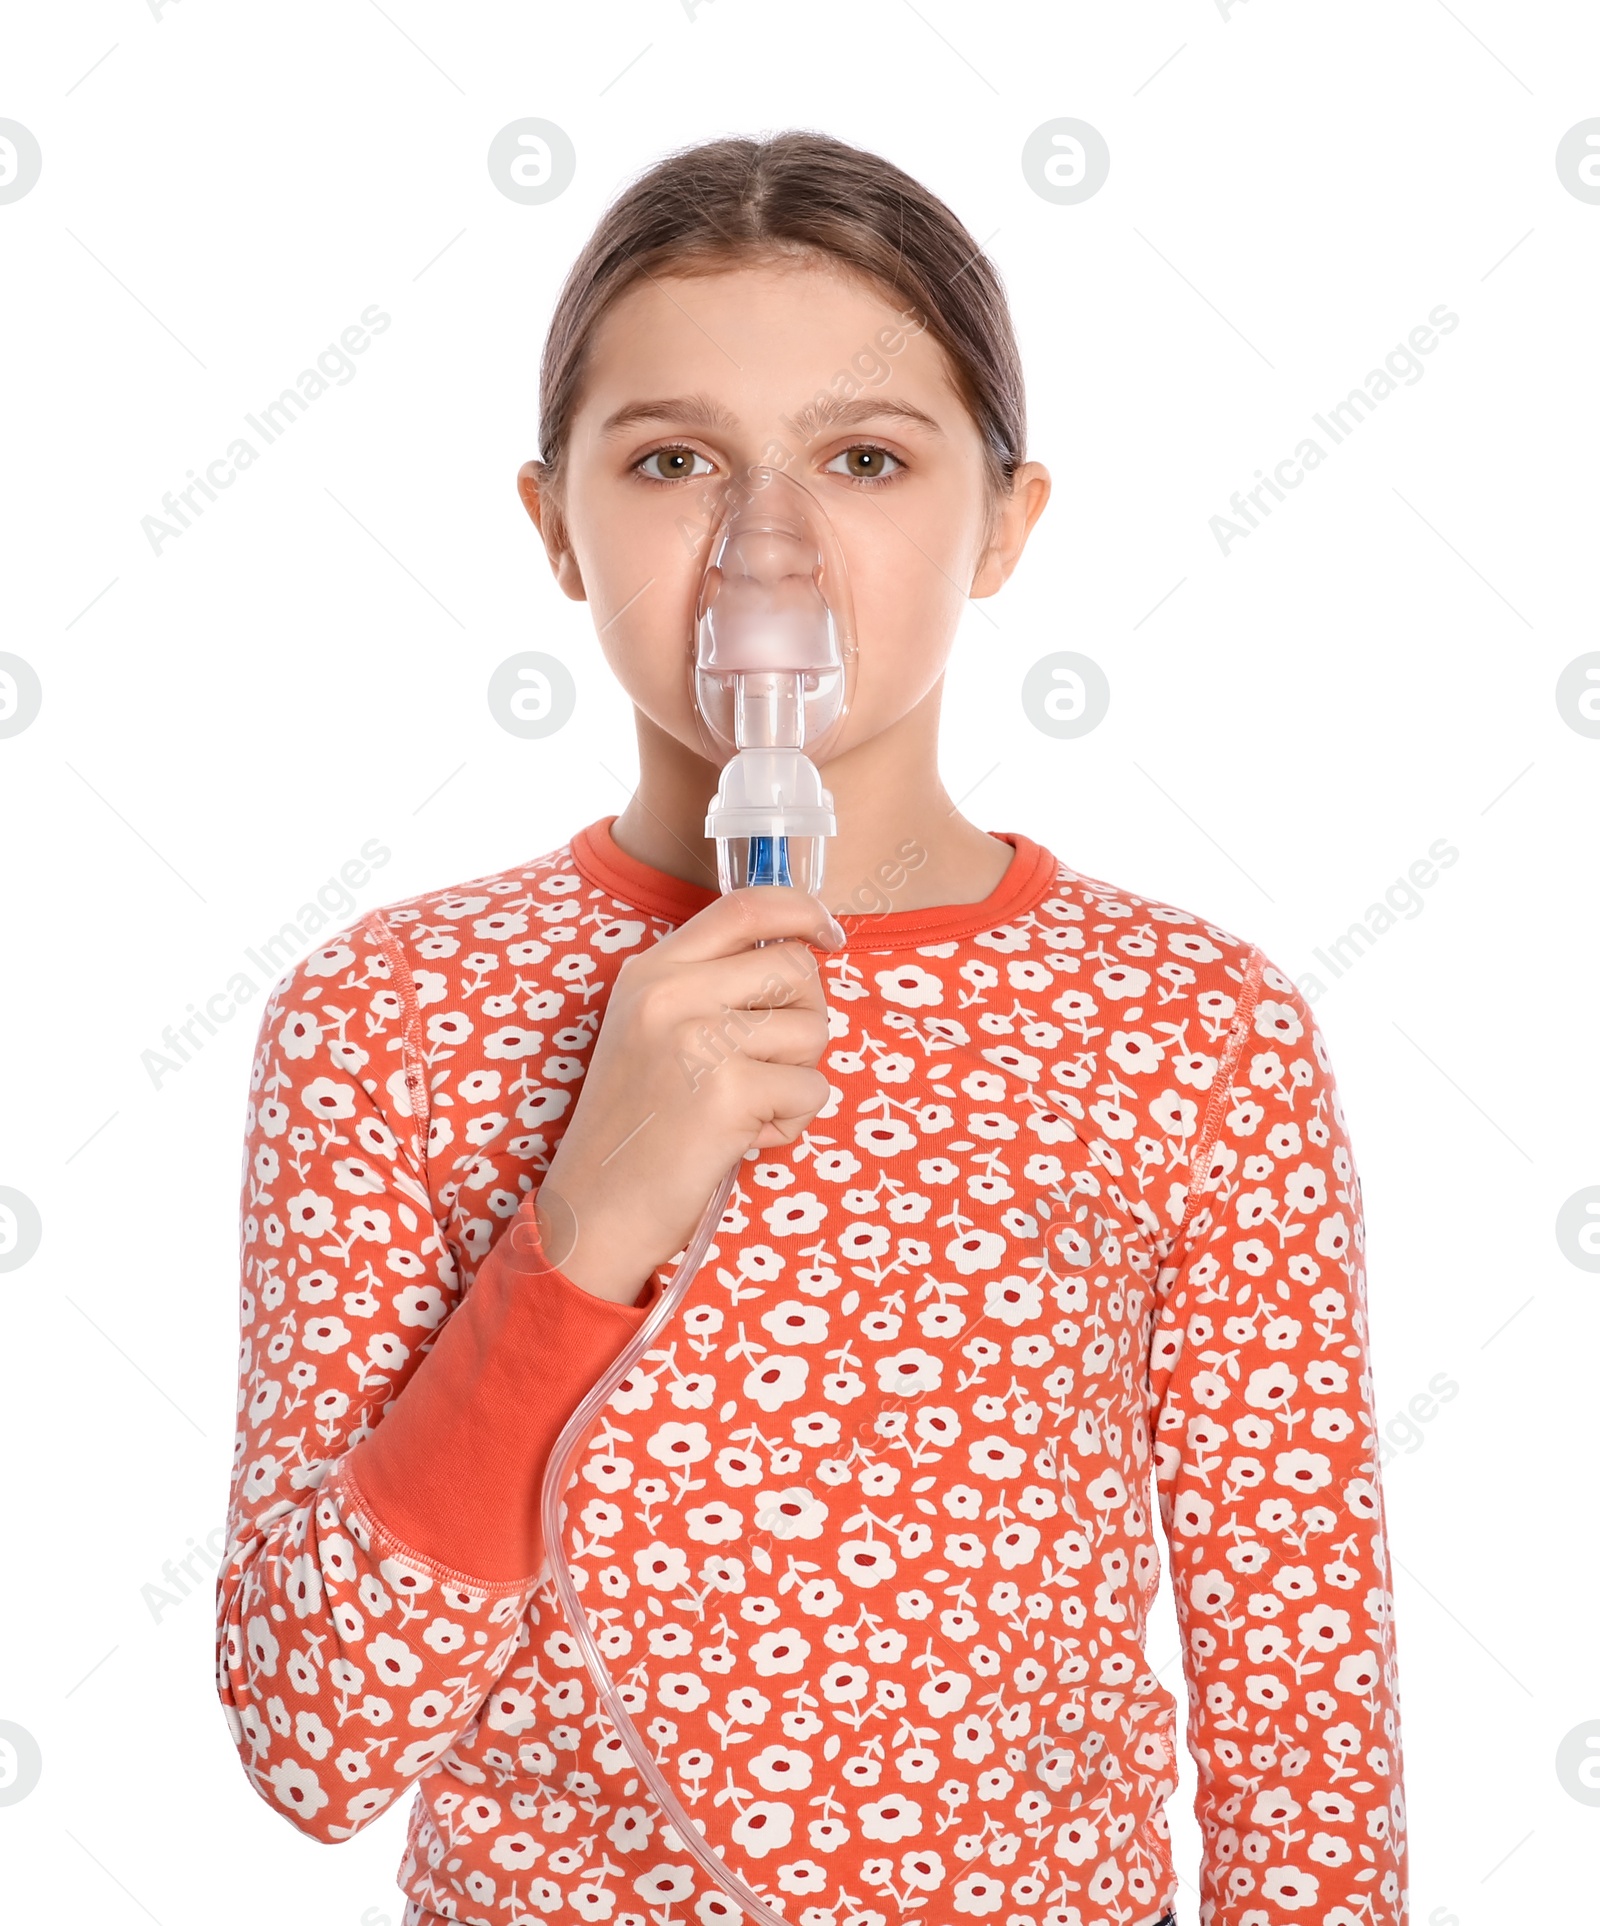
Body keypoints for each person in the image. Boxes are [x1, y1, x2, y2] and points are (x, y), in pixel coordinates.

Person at [215, 131, 1406, 1926]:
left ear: (1003, 522)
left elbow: (1301, 1734)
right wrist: (587, 1221)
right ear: (555, 526)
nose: (764, 545)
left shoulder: (1190, 1032)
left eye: (864, 460)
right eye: (675, 460)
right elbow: (317, 1743)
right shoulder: (387, 1021)